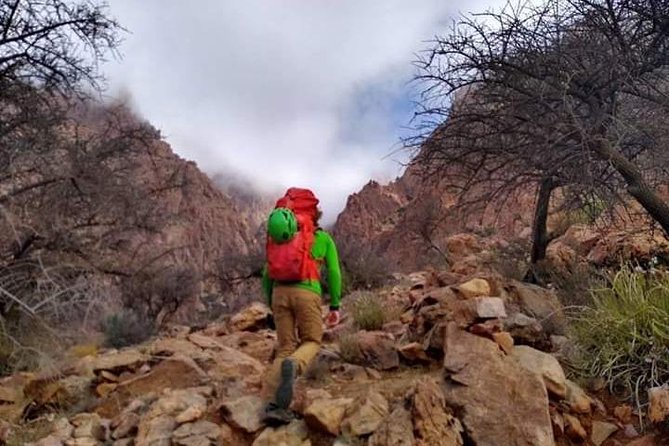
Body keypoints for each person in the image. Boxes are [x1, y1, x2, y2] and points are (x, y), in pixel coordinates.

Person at [262, 188, 342, 423]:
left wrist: (271, 303)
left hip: (279, 293)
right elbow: (334, 272)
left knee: (285, 346)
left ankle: (274, 404)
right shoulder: (322, 238)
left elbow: (267, 274)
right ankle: (295, 365)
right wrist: (335, 305)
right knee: (311, 341)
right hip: (308, 292)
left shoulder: (278, 239)